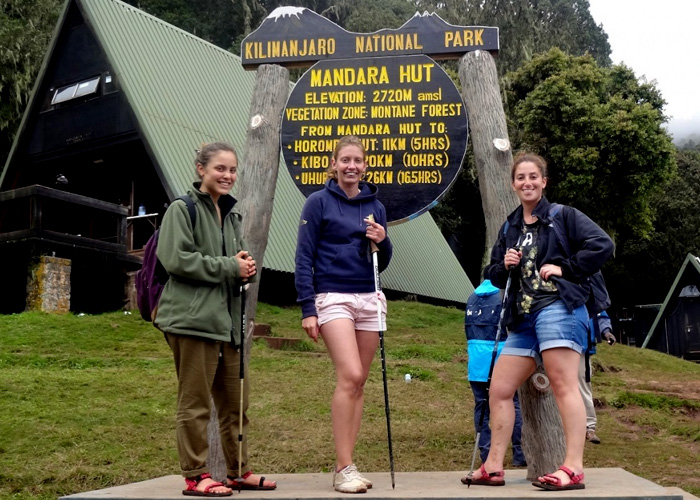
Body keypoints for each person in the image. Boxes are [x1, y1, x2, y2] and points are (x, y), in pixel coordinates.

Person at [462, 152, 614, 490]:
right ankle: (493, 467)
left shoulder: (564, 216)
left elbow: (603, 244)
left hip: (559, 308)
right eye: (521, 178)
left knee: (563, 384)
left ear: (544, 181)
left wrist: (567, 269)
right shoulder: (510, 225)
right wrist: (504, 264)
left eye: (534, 177)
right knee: (499, 389)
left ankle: (573, 468)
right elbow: (494, 275)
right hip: (523, 318)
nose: (527, 183)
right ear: (513, 184)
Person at [155, 141, 276, 496]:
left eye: (233, 170)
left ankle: (239, 471)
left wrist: (246, 269)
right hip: (192, 321)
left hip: (228, 323)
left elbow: (233, 266)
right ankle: (195, 476)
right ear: (201, 170)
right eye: (220, 168)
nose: (228, 176)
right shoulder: (183, 209)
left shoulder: (233, 214)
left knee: (237, 403)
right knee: (194, 404)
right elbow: (176, 260)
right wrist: (230, 266)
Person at [295, 135, 393, 494]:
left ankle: (346, 465)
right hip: (331, 295)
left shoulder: (375, 206)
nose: (352, 166)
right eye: (345, 160)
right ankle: (343, 467)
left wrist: (382, 239)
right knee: (349, 374)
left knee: (359, 382)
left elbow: (384, 259)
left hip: (368, 295)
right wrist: (308, 308)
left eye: (358, 161)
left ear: (365, 166)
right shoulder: (317, 203)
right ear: (334, 164)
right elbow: (303, 257)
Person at [465, 279, 526, 468]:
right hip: (501, 356)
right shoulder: (504, 294)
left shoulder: (472, 297)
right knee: (512, 403)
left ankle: (485, 452)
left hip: (476, 359)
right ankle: (519, 452)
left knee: (481, 406)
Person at [580, 310, 616, 444]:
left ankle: (589, 427)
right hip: (558, 345)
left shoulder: (586, 291)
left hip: (582, 348)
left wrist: (606, 332)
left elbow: (600, 314)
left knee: (583, 386)